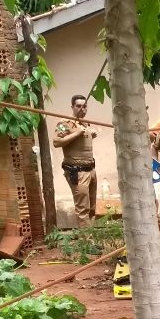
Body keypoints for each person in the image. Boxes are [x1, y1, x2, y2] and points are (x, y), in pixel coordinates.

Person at [52, 94, 98, 227]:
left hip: (91, 170)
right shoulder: (64, 123)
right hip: (77, 172)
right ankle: (86, 239)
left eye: (85, 106)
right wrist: (77, 133)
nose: (82, 109)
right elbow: (56, 142)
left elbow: (79, 143)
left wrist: (91, 135)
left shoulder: (85, 123)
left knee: (92, 208)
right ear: (72, 107)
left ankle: (91, 235)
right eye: (79, 106)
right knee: (83, 209)